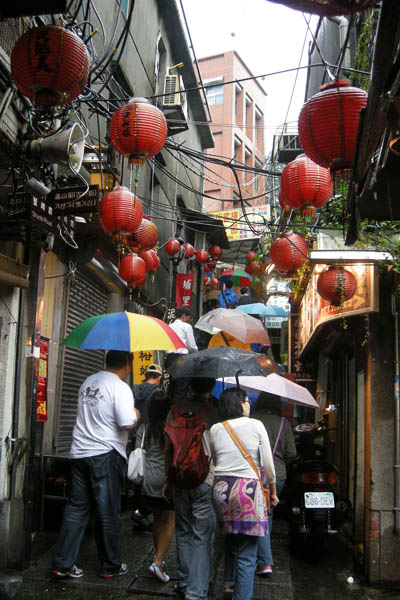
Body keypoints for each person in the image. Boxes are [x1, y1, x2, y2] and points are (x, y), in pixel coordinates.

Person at [51, 350, 139, 579]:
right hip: (105, 454)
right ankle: (110, 565)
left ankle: (62, 564)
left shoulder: (88, 381)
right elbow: (126, 422)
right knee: (108, 511)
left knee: (77, 507)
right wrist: (137, 414)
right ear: (127, 365)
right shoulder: (120, 387)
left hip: (79, 453)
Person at [209, 387, 278, 600]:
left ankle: (228, 586)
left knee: (231, 539)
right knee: (248, 555)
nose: (249, 404)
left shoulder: (215, 429)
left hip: (221, 490)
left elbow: (214, 460)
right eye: (247, 401)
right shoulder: (256, 425)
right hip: (247, 491)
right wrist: (273, 492)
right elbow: (268, 466)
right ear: (239, 404)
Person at [163, 377, 219, 600]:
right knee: (202, 535)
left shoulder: (174, 410)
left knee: (183, 530)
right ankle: (197, 590)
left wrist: (168, 478)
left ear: (190, 386)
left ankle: (185, 581)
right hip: (205, 479)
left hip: (178, 477)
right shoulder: (213, 413)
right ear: (211, 388)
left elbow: (168, 446)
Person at [252, 392, 297, 576]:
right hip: (277, 475)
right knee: (267, 514)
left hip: (255, 473)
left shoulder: (252, 420)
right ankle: (264, 560)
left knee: (258, 515)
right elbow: (291, 453)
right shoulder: (284, 424)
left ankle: (264, 561)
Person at [135, 390, 175, 584]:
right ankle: (158, 562)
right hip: (166, 478)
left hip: (148, 479)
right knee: (169, 519)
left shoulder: (145, 427)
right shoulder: (171, 428)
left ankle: (158, 558)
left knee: (158, 519)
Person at [130, 363, 163, 532]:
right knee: (152, 471)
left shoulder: (134, 388)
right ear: (158, 377)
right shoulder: (158, 393)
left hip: (136, 434)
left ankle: (138, 515)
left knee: (139, 472)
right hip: (152, 434)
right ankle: (143, 511)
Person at [165, 307, 198, 405]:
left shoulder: (169, 326)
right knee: (181, 387)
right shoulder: (186, 326)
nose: (188, 319)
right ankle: (178, 412)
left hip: (169, 358)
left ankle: (169, 411)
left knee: (172, 385)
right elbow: (192, 346)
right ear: (184, 316)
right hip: (181, 359)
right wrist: (197, 353)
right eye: (188, 317)